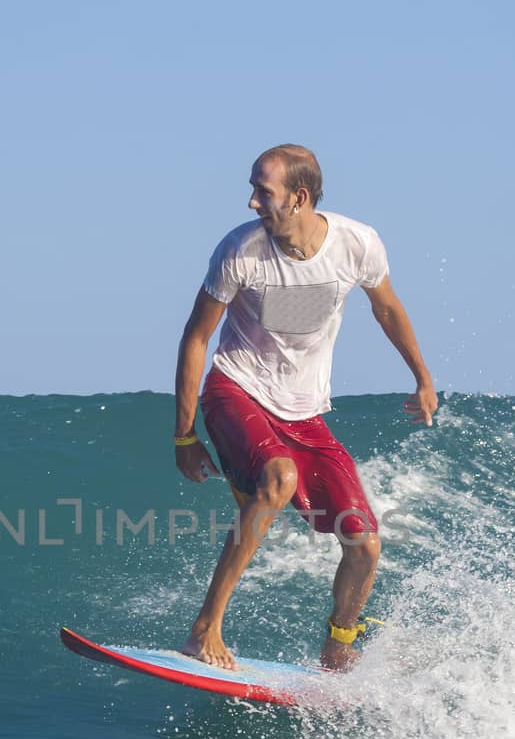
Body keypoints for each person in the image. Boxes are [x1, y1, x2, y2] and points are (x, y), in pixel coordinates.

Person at [174, 144, 437, 671]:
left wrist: (422, 377)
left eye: (262, 192)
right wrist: (184, 436)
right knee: (279, 478)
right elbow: (196, 339)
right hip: (238, 388)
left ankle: (338, 647)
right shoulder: (240, 251)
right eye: (252, 189)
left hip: (303, 409)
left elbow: (386, 307)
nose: (251, 202)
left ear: (298, 198)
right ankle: (205, 627)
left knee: (364, 543)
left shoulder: (356, 244)